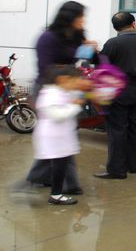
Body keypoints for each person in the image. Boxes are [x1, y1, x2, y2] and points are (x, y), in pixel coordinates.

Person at [25, 1, 97, 194]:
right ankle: (68, 184)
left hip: (68, 88)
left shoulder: (77, 36)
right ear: (69, 17)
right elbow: (46, 69)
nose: (83, 21)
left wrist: (92, 51)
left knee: (62, 134)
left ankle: (39, 176)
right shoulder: (47, 38)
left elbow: (87, 60)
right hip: (48, 90)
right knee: (60, 135)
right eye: (80, 17)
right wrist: (72, 81)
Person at [95, 12, 136, 179]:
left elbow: (101, 68)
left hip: (118, 92)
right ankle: (133, 166)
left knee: (117, 129)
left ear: (115, 27)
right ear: (133, 23)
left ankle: (117, 170)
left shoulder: (112, 43)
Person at [33, 65, 89, 205]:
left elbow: (78, 95)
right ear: (62, 79)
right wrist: (75, 105)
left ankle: (55, 192)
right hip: (53, 137)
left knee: (60, 165)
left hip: (60, 137)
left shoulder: (62, 91)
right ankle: (55, 195)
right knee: (58, 166)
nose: (76, 84)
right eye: (74, 81)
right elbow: (57, 115)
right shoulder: (50, 94)